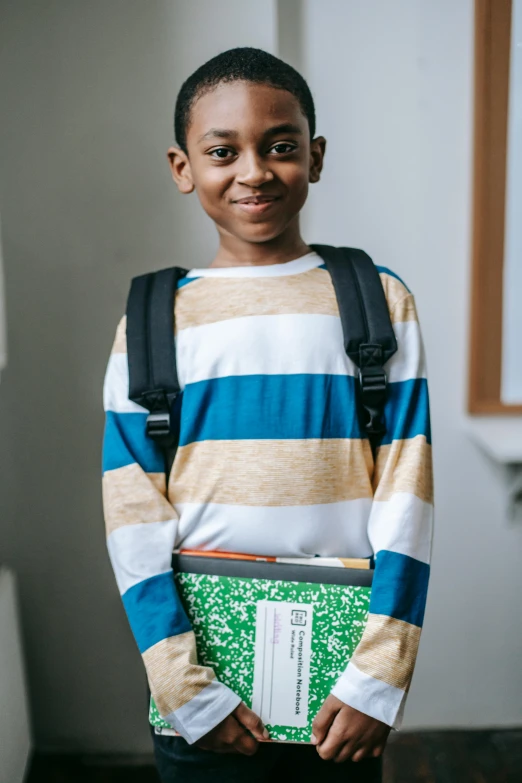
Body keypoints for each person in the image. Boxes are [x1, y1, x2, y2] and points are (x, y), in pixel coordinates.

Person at [101, 46, 433, 783]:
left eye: (280, 146)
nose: (253, 170)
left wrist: (379, 675)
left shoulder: (377, 299)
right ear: (183, 167)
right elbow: (132, 514)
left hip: (341, 691)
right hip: (200, 684)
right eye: (223, 151)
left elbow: (407, 496)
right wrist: (182, 685)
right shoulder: (155, 317)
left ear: (314, 157)